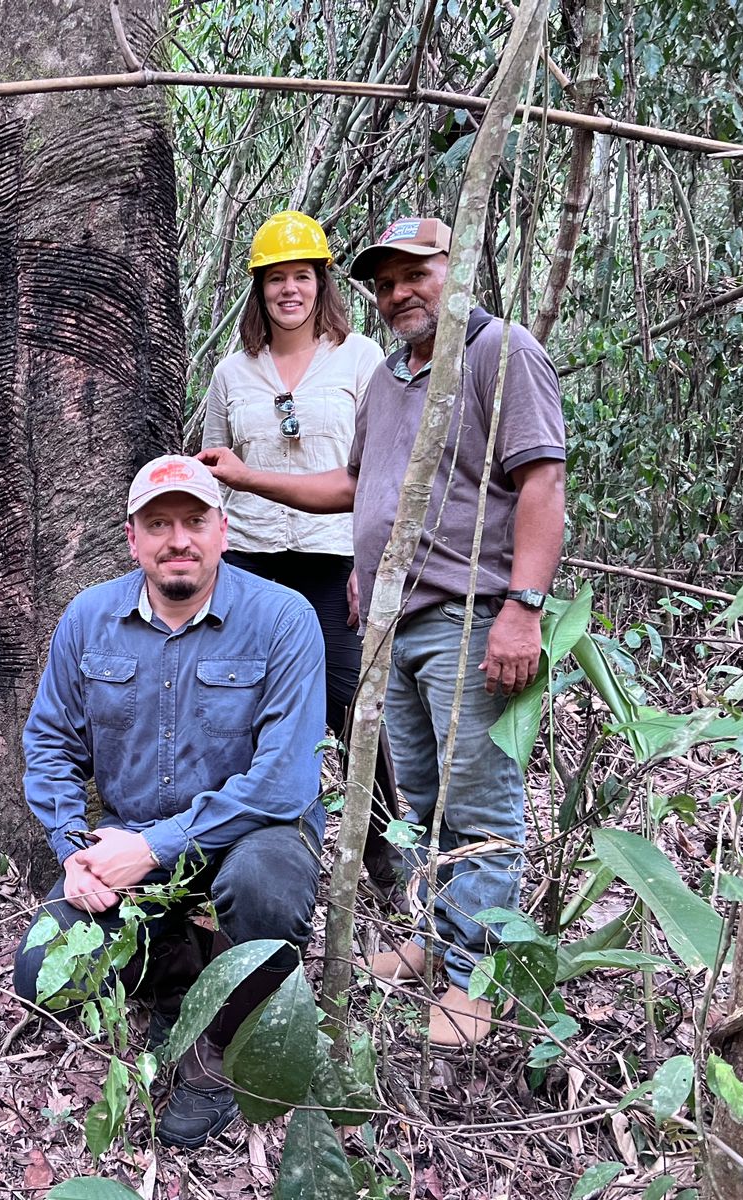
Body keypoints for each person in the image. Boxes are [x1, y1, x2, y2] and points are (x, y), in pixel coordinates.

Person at [199, 216, 566, 1046]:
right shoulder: (397, 376)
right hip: (394, 616)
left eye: (417, 274)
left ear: (458, 268)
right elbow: (359, 486)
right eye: (387, 280)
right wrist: (255, 480)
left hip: (471, 609)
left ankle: (480, 978)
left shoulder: (497, 353)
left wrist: (523, 607)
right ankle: (440, 942)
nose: (401, 292)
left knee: (479, 802)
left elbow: (541, 481)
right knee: (428, 799)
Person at [13, 454, 327, 1148]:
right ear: (133, 538)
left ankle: (222, 1048)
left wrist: (154, 846)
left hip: (256, 832)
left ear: (222, 530)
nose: (176, 539)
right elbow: (48, 744)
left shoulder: (283, 619)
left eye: (193, 521)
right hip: (134, 844)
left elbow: (283, 783)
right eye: (158, 524)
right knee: (40, 972)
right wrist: (74, 849)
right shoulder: (89, 618)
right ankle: (179, 974)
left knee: (263, 884)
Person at [201, 209, 403, 898]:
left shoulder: (363, 358)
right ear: (258, 289)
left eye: (303, 276)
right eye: (276, 279)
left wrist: (367, 566)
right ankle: (244, 849)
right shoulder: (233, 373)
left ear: (322, 282)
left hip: (333, 561)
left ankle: (382, 849)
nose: (291, 290)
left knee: (351, 705)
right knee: (244, 708)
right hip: (252, 561)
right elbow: (214, 477)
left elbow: (380, 472)